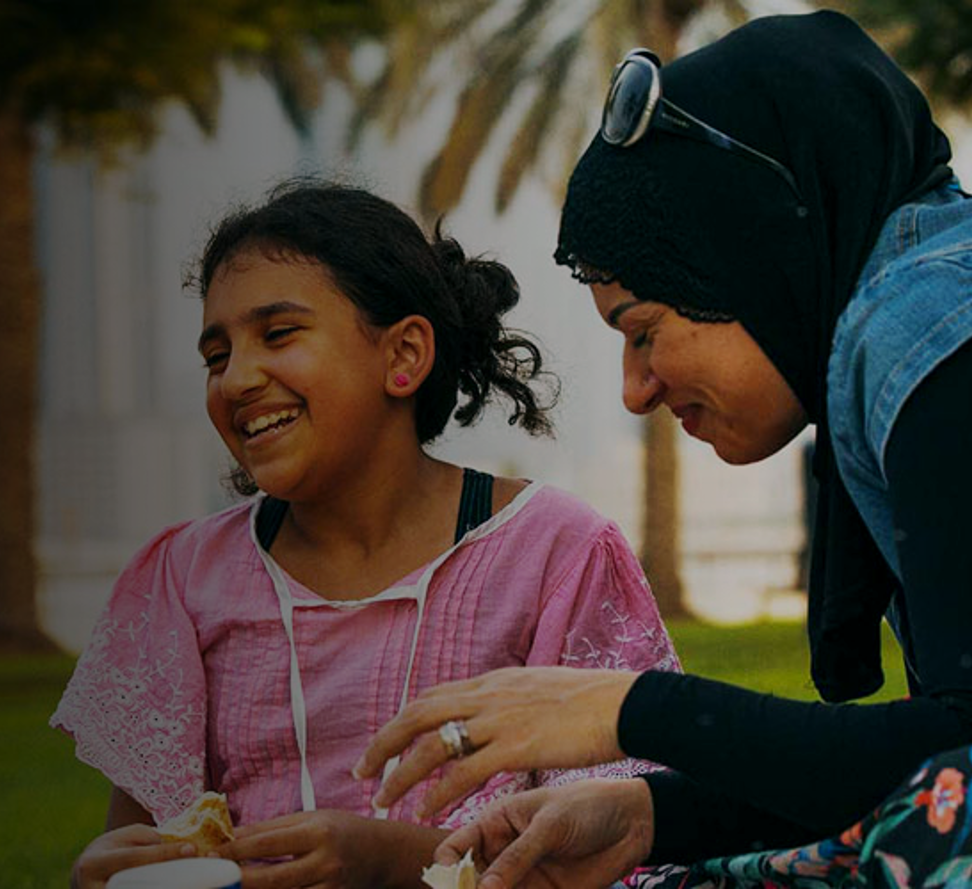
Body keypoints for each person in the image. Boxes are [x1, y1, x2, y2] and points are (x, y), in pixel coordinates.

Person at [353, 10, 972, 887]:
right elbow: (956, 767)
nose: (634, 389)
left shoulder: (938, 328)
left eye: (643, 329)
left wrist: (628, 709)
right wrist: (651, 815)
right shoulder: (937, 306)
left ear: (753, 259)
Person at [49, 179, 681, 889]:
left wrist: (390, 861)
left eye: (278, 334)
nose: (236, 380)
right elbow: (150, 844)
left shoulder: (555, 552)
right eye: (216, 355)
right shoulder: (184, 577)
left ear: (404, 355)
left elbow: (620, 850)